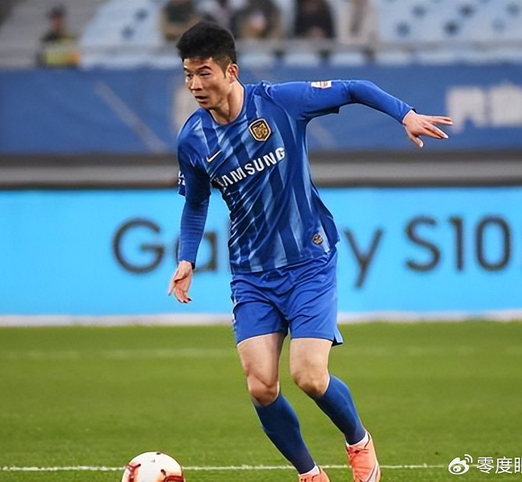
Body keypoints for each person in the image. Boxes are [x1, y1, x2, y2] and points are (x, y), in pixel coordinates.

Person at [168, 21, 452, 482]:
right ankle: (310, 474)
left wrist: (405, 115)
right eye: (187, 75)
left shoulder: (280, 102)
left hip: (308, 260)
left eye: (204, 73)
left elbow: (354, 88)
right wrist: (187, 258)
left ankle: (359, 442)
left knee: (310, 376)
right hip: (251, 272)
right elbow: (196, 203)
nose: (195, 85)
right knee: (261, 386)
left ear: (230, 71)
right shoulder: (192, 139)